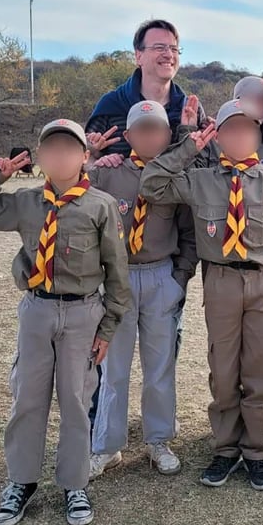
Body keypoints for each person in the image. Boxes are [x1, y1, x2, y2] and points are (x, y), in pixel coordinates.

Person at [0, 119, 132, 525]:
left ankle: (74, 483)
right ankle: (21, 481)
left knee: (75, 399)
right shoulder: (26, 202)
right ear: (40, 158)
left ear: (85, 157)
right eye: (51, 150)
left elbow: (117, 275)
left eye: (69, 150)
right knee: (28, 397)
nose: (60, 157)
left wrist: (107, 329)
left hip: (83, 312)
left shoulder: (100, 205)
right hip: (37, 310)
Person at [141, 99, 263, 492]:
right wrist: (189, 148)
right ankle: (225, 448)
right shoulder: (201, 180)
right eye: (230, 129)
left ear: (257, 136)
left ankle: (257, 451)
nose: (239, 136)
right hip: (220, 282)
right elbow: (151, 184)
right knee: (224, 368)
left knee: (259, 369)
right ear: (217, 138)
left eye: (247, 129)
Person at [87, 102, 198, 480]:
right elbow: (77, 205)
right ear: (129, 136)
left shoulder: (176, 175)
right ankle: (106, 444)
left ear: (169, 136)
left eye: (158, 130)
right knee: (113, 369)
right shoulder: (108, 175)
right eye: (143, 129)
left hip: (159, 277)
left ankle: (158, 440)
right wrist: (94, 158)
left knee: (160, 367)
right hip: (118, 280)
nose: (152, 136)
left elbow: (189, 232)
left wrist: (178, 279)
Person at [85, 19, 209, 166]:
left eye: (174, 49)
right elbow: (84, 157)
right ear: (138, 56)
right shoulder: (111, 104)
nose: (169, 55)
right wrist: (96, 158)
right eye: (159, 47)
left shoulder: (190, 109)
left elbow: (206, 163)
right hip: (120, 189)